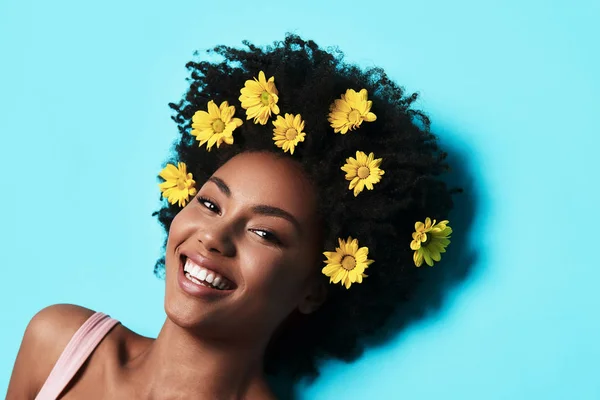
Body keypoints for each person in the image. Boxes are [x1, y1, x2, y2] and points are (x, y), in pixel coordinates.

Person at [7, 34, 455, 399]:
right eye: (209, 203)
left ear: (313, 290)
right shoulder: (60, 343)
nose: (214, 237)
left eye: (264, 232)